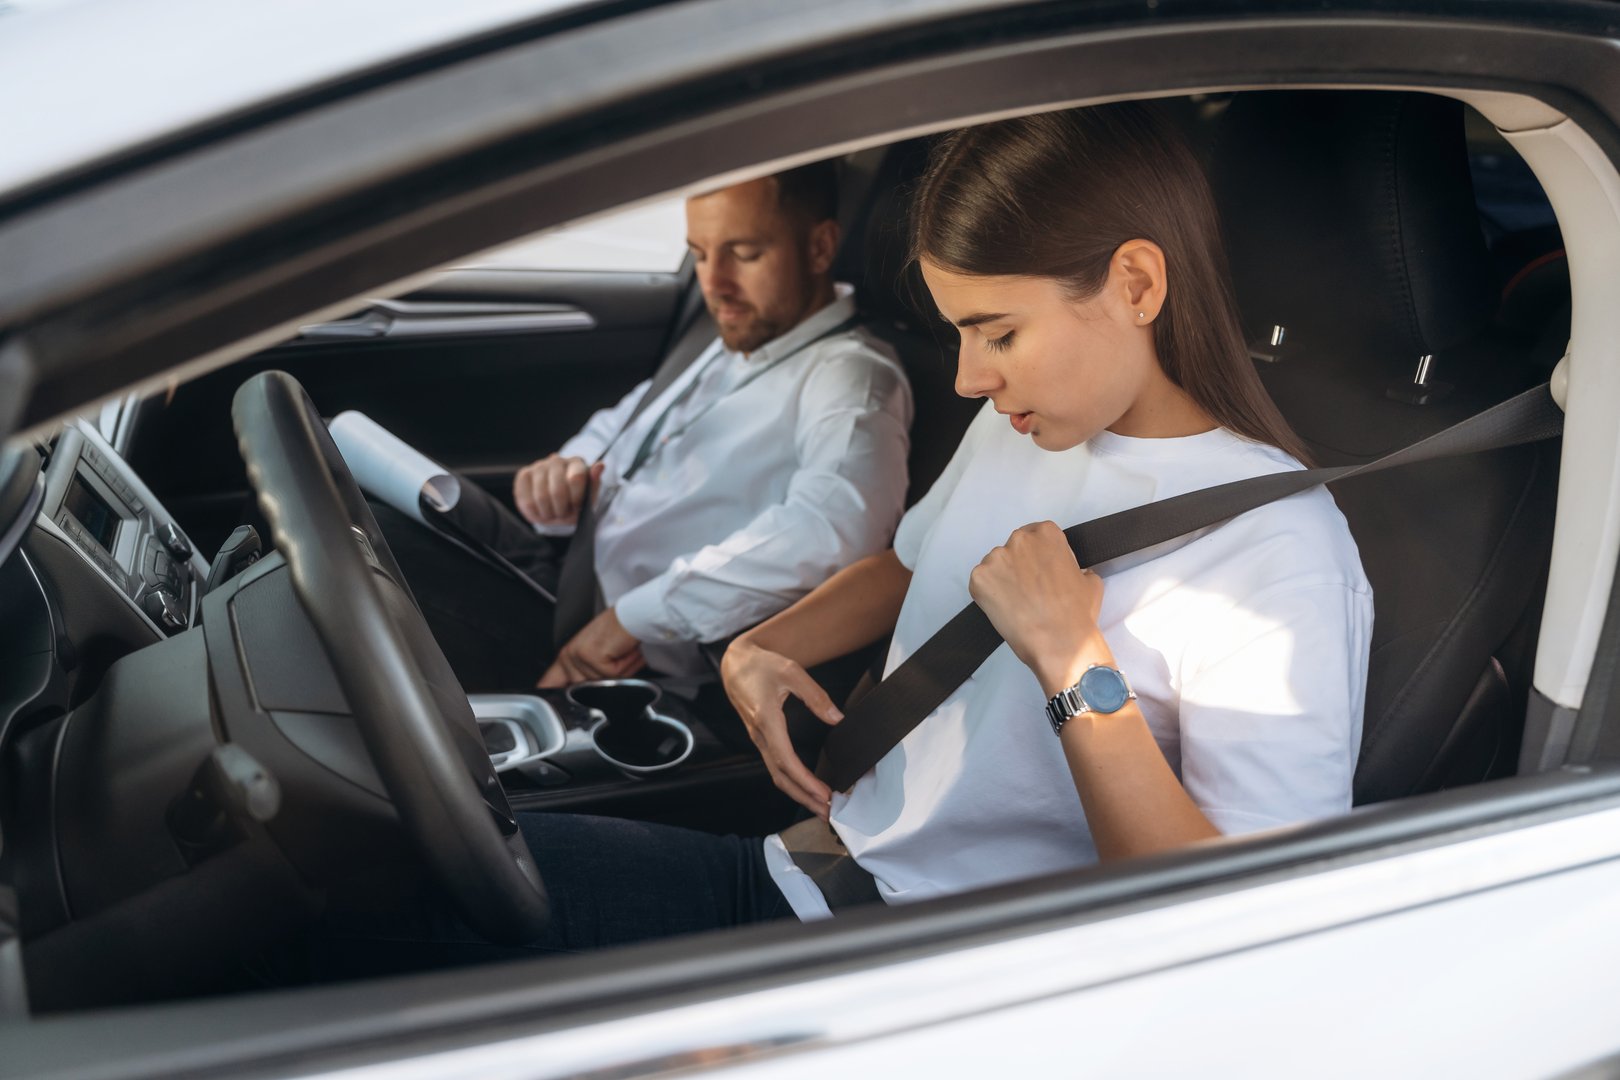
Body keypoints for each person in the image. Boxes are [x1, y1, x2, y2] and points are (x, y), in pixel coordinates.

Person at [313, 103, 1371, 971]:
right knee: (361, 877)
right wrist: (767, 646)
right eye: (960, 334)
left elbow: (1241, 926)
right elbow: (911, 564)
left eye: (999, 333)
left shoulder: (1278, 554)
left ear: (1136, 285)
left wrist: (1074, 662)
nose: (967, 378)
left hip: (909, 966)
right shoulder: (1032, 423)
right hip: (806, 871)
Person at [371, 163, 914, 696]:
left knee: (366, 584)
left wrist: (636, 618)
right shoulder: (741, 335)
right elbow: (623, 422)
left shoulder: (853, 379)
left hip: (614, 647)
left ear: (820, 248)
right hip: (563, 568)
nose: (715, 283)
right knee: (364, 517)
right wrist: (567, 474)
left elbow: (834, 529)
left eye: (746, 254)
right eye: (700, 254)